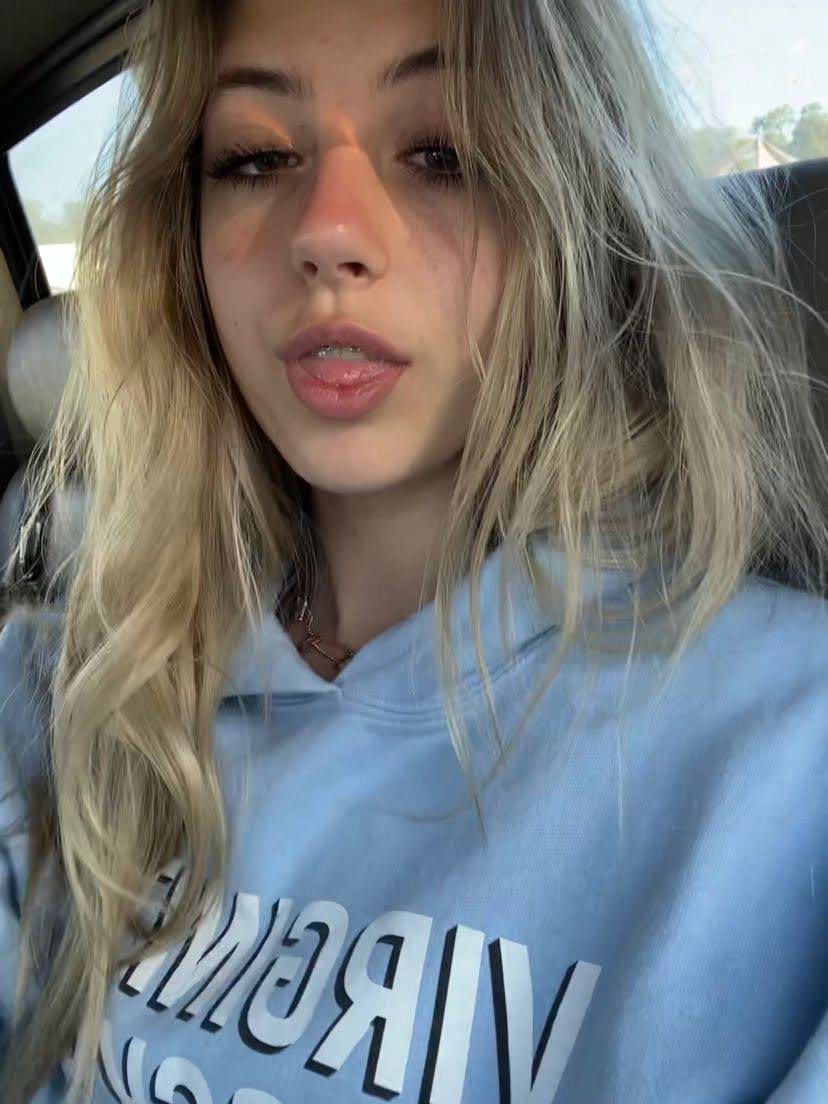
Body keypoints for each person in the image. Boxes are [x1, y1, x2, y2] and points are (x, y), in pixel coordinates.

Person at [1, 0, 827, 1100]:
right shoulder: (64, 697)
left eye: (445, 152)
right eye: (255, 159)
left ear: (584, 214)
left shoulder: (790, 754)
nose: (326, 231)